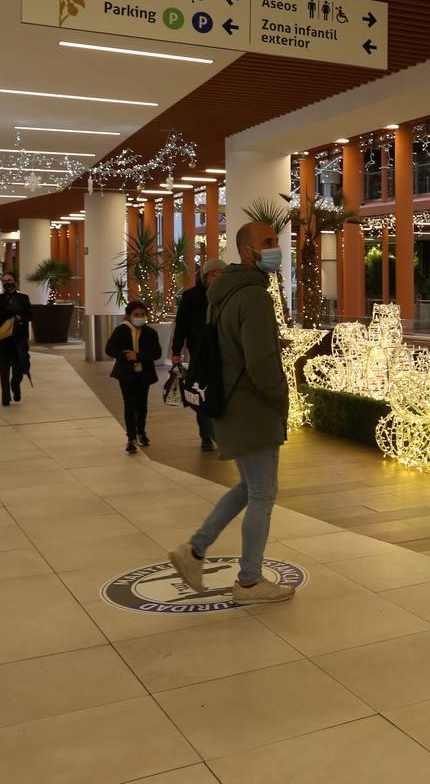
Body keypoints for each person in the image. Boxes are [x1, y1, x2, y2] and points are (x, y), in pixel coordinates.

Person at [168, 221, 294, 605]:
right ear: (246, 251)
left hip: (228, 405)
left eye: (275, 240)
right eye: (267, 243)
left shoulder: (222, 294)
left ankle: (195, 550)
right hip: (252, 409)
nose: (275, 248)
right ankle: (250, 583)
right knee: (263, 494)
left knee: (248, 488)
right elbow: (261, 363)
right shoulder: (254, 297)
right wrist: (281, 400)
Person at [171, 257, 227, 451]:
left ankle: (219, 432)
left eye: (222, 273)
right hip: (200, 353)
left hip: (225, 353)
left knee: (220, 392)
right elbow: (182, 324)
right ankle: (206, 435)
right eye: (213, 273)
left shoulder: (229, 296)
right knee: (200, 392)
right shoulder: (191, 296)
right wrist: (176, 350)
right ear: (205, 277)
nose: (218, 277)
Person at [105, 300, 162, 453]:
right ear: (129, 316)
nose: (139, 317)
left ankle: (141, 432)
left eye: (142, 315)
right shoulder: (121, 331)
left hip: (144, 374)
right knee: (129, 405)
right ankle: (131, 438)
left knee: (142, 404)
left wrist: (138, 356)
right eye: (136, 315)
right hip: (126, 374)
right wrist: (124, 355)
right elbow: (109, 348)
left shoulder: (151, 333)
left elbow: (157, 353)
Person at [0, 272, 32, 406]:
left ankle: (15, 386)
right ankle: (5, 396)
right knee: (3, 370)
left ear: (15, 282)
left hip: (18, 341)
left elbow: (30, 315)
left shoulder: (23, 298)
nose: (7, 283)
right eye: (4, 281)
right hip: (2, 341)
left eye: (9, 280)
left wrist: (20, 318)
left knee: (18, 372)